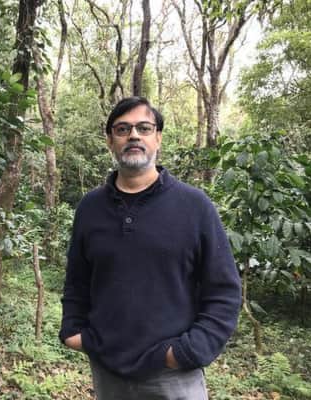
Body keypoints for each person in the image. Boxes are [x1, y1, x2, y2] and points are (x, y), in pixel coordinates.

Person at [59, 97, 241, 399]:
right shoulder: (90, 208)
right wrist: (73, 332)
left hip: (173, 376)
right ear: (110, 141)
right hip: (108, 373)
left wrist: (186, 352)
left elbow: (224, 292)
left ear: (158, 137)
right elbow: (77, 281)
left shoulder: (194, 206)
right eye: (122, 129)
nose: (133, 135)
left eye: (144, 128)